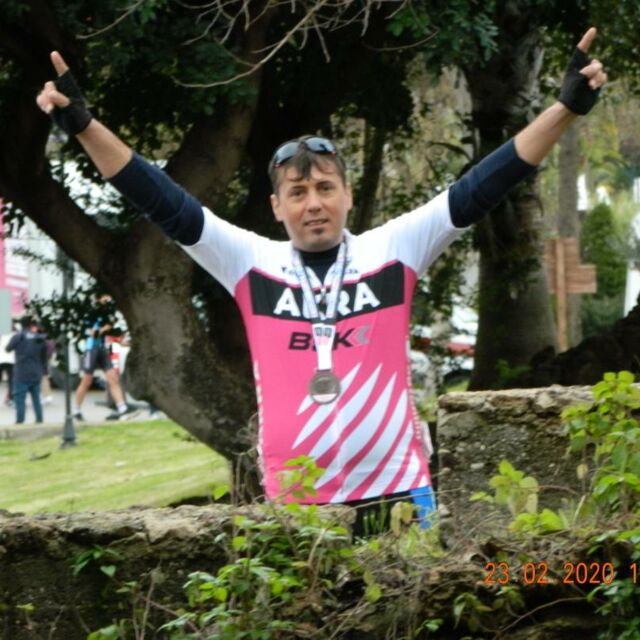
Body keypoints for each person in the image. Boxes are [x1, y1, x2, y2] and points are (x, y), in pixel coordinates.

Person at [36, 29, 607, 534]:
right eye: (298, 192)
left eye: (325, 188)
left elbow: (485, 183)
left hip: (400, 491)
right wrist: (84, 126)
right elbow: (161, 199)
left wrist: (565, 108)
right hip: (297, 502)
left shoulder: (395, 249)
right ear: (277, 206)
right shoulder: (249, 262)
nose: (313, 203)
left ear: (347, 195)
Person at [72, 293, 137, 421]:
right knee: (86, 381)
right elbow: (91, 332)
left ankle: (122, 408)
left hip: (102, 348)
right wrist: (104, 328)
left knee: (113, 378)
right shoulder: (91, 313)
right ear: (99, 298)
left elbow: (113, 329)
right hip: (91, 349)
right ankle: (76, 410)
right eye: (104, 297)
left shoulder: (107, 313)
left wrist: (110, 329)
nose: (107, 299)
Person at [5, 316, 47, 424]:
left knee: (20, 398)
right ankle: (39, 419)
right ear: (31, 325)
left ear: (21, 324)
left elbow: (8, 349)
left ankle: (20, 420)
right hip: (36, 371)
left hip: (21, 372)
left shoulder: (18, 336)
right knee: (36, 398)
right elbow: (44, 355)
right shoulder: (39, 338)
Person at [0, 329, 16, 406]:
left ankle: (10, 398)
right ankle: (10, 399)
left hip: (2, 359)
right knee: (11, 381)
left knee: (11, 381)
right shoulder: (14, 335)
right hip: (10, 360)